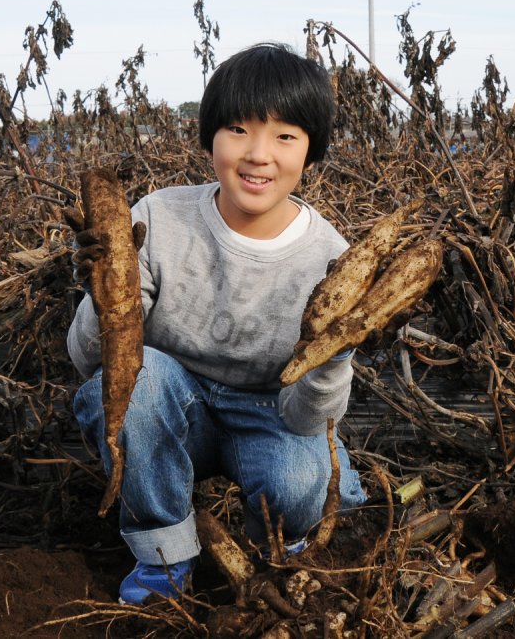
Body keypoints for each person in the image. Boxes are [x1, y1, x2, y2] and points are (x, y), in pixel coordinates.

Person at [67, 43, 366, 605]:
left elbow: (310, 416)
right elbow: (90, 365)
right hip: (172, 405)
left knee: (300, 487)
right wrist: (104, 296)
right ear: (210, 138)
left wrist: (339, 350)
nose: (258, 155)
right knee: (141, 382)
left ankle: (288, 544)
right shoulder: (157, 219)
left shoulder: (331, 262)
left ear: (311, 150)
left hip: (274, 413)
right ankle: (164, 554)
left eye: (285, 136)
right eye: (237, 129)